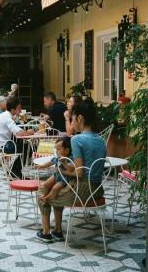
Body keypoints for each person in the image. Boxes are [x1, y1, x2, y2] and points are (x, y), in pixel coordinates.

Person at [36, 98, 107, 242]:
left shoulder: (77, 140)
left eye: (72, 119)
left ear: (80, 118)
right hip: (97, 189)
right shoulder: (100, 140)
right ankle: (57, 230)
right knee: (55, 190)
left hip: (81, 191)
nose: (71, 122)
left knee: (42, 193)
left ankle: (46, 232)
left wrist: (61, 171)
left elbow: (79, 173)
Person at [0, 97, 35, 178]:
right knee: (28, 148)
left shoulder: (5, 115)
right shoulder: (7, 118)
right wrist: (30, 132)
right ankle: (15, 171)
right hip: (2, 147)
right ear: (12, 109)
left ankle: (14, 170)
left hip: (2, 144)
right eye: (19, 108)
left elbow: (17, 133)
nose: (21, 111)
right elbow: (19, 133)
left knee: (24, 145)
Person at [36, 136, 73, 203]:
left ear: (67, 150)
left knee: (55, 188)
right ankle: (45, 195)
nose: (56, 152)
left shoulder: (70, 158)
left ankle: (46, 198)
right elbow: (51, 162)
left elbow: (71, 169)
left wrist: (64, 162)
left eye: (58, 149)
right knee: (45, 184)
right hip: (57, 175)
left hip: (65, 178)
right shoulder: (57, 157)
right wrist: (42, 166)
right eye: (56, 149)